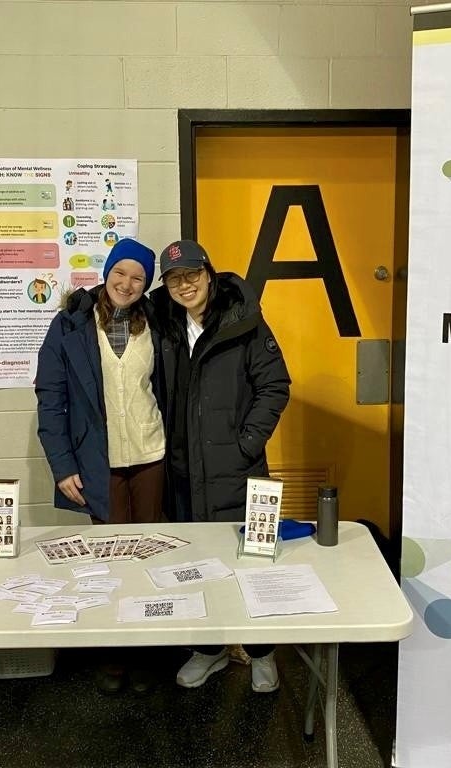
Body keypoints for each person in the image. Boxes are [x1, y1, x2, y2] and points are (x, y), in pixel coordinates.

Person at [150, 239, 290, 694]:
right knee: (196, 564)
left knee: (251, 564)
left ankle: (262, 653)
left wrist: (246, 444)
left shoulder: (243, 323)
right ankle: (208, 650)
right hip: (185, 471)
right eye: (174, 278)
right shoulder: (165, 326)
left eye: (192, 274)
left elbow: (275, 385)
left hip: (238, 469)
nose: (184, 285)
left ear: (209, 274)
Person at [36, 237, 166, 694]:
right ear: (106, 273)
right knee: (112, 561)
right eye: (121, 273)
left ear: (146, 285)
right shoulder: (69, 324)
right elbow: (50, 401)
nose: (127, 284)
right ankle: (114, 657)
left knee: (151, 555)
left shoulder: (157, 324)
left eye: (138, 277)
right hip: (97, 463)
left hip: (151, 455)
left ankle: (149, 655)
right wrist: (62, 464)